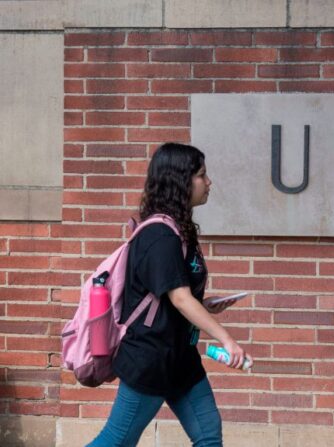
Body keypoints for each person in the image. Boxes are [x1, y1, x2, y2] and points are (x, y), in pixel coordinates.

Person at [89, 143, 251, 446]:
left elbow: (175, 296)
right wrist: (227, 339)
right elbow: (179, 298)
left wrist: (205, 306)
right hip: (150, 358)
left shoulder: (179, 230)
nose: (209, 182)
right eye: (202, 175)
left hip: (180, 359)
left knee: (208, 435)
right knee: (116, 441)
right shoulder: (159, 235)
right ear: (180, 181)